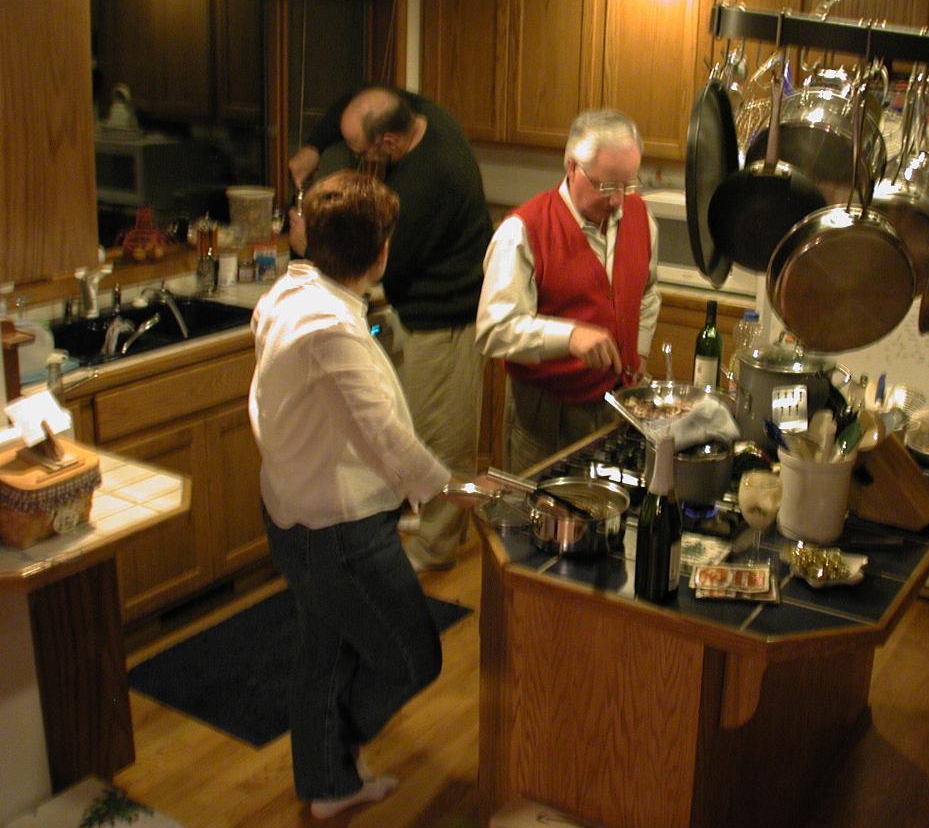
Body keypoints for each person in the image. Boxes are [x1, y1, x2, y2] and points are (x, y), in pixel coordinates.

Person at [249, 170, 452, 820]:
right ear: (381, 251)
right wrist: (450, 490)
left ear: (308, 234)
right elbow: (384, 435)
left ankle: (328, 782)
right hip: (338, 529)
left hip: (292, 510)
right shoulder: (331, 330)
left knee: (324, 649)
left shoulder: (289, 293)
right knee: (412, 656)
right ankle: (338, 749)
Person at [288, 85, 491, 569]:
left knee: (441, 437)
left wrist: (309, 241)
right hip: (422, 311)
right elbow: (355, 100)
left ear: (389, 145)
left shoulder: (428, 182)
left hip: (446, 318)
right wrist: (315, 145)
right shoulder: (427, 113)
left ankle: (435, 548)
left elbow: (380, 266)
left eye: (361, 152)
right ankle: (427, 522)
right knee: (416, 425)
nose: (359, 160)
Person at [476, 109, 660, 471]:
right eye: (606, 186)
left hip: (616, 404)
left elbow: (648, 293)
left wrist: (638, 351)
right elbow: (494, 330)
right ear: (572, 166)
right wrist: (569, 337)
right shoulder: (523, 231)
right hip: (546, 412)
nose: (618, 200)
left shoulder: (641, 218)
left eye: (628, 184)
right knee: (538, 516)